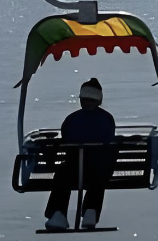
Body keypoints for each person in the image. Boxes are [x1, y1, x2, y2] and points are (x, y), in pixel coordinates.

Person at [44, 79, 117, 231]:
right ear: (99, 100)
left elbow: (66, 140)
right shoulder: (107, 119)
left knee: (62, 173)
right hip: (97, 173)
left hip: (73, 172)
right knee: (101, 170)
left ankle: (58, 214)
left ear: (82, 99)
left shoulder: (72, 119)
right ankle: (91, 212)